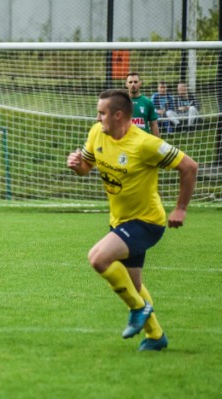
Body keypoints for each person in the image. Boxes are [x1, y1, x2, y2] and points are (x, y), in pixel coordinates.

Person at [67, 89, 198, 351]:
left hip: (147, 222)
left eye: (102, 113)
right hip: (120, 220)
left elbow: (189, 166)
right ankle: (156, 336)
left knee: (98, 257)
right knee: (133, 283)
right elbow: (86, 167)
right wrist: (76, 164)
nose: (97, 117)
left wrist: (180, 209)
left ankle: (140, 309)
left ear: (118, 115)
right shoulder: (97, 133)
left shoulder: (145, 143)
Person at [125, 72, 160, 137]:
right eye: (130, 82)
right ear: (126, 84)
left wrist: (158, 144)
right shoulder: (121, 102)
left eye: (135, 82)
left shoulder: (148, 102)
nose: (133, 84)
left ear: (140, 83)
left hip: (143, 141)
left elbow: (154, 125)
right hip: (127, 141)